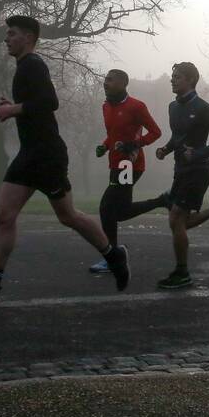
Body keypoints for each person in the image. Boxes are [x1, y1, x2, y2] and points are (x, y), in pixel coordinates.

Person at [0, 16, 128, 301]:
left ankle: (113, 256)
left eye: (12, 34)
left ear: (28, 37)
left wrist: (14, 110)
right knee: (5, 216)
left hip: (47, 155)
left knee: (68, 216)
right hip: (30, 154)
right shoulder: (24, 67)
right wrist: (16, 108)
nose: (7, 38)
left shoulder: (33, 65)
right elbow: (36, 106)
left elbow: (50, 102)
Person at [124, 62, 209, 290]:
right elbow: (177, 137)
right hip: (180, 170)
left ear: (190, 80)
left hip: (198, 171)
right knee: (177, 222)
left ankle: (182, 272)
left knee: (177, 218)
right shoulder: (172, 107)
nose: (172, 79)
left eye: (177, 77)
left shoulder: (205, 108)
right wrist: (165, 149)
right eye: (173, 76)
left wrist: (198, 153)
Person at [88, 69, 162, 275]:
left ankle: (112, 257)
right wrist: (104, 146)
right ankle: (161, 201)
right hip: (115, 164)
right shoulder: (106, 106)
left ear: (123, 83)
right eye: (105, 80)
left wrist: (134, 144)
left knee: (106, 208)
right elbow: (113, 135)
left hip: (129, 165)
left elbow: (156, 132)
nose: (105, 83)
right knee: (121, 211)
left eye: (110, 80)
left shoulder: (136, 106)